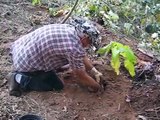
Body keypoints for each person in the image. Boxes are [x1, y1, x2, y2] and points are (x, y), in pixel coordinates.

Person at [7, 17, 103, 97]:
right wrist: (97, 87)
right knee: (56, 85)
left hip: (21, 48)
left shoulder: (71, 29)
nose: (89, 45)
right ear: (84, 38)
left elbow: (81, 55)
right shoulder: (73, 47)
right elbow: (80, 75)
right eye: (90, 42)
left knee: (67, 61)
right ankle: (18, 78)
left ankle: (53, 69)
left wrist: (94, 70)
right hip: (26, 62)